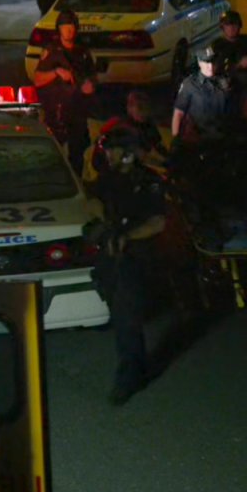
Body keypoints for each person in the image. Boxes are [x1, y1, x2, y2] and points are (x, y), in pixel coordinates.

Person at [90, 127, 168, 405]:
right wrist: (105, 225)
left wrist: (127, 236)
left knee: (127, 318)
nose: (108, 155)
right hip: (111, 258)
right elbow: (94, 200)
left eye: (113, 149)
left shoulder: (148, 181)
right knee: (121, 314)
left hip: (137, 257)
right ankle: (137, 365)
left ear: (127, 153)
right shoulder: (107, 179)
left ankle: (129, 376)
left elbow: (157, 222)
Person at [34, 9, 100, 176]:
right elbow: (38, 78)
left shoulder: (82, 52)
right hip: (57, 111)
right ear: (59, 29)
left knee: (77, 154)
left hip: (77, 111)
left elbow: (92, 75)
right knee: (53, 154)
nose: (69, 30)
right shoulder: (52, 51)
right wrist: (56, 72)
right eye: (65, 26)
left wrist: (90, 85)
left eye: (71, 26)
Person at [171, 44, 231, 145]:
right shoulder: (190, 84)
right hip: (199, 140)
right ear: (199, 63)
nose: (210, 66)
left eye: (212, 61)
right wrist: (176, 139)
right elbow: (178, 113)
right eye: (206, 62)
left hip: (222, 138)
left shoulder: (223, 81)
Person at [95, 90, 165, 174]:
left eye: (145, 107)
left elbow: (157, 146)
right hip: (118, 164)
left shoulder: (149, 126)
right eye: (139, 106)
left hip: (140, 165)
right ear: (129, 108)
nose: (143, 110)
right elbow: (101, 141)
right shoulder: (118, 122)